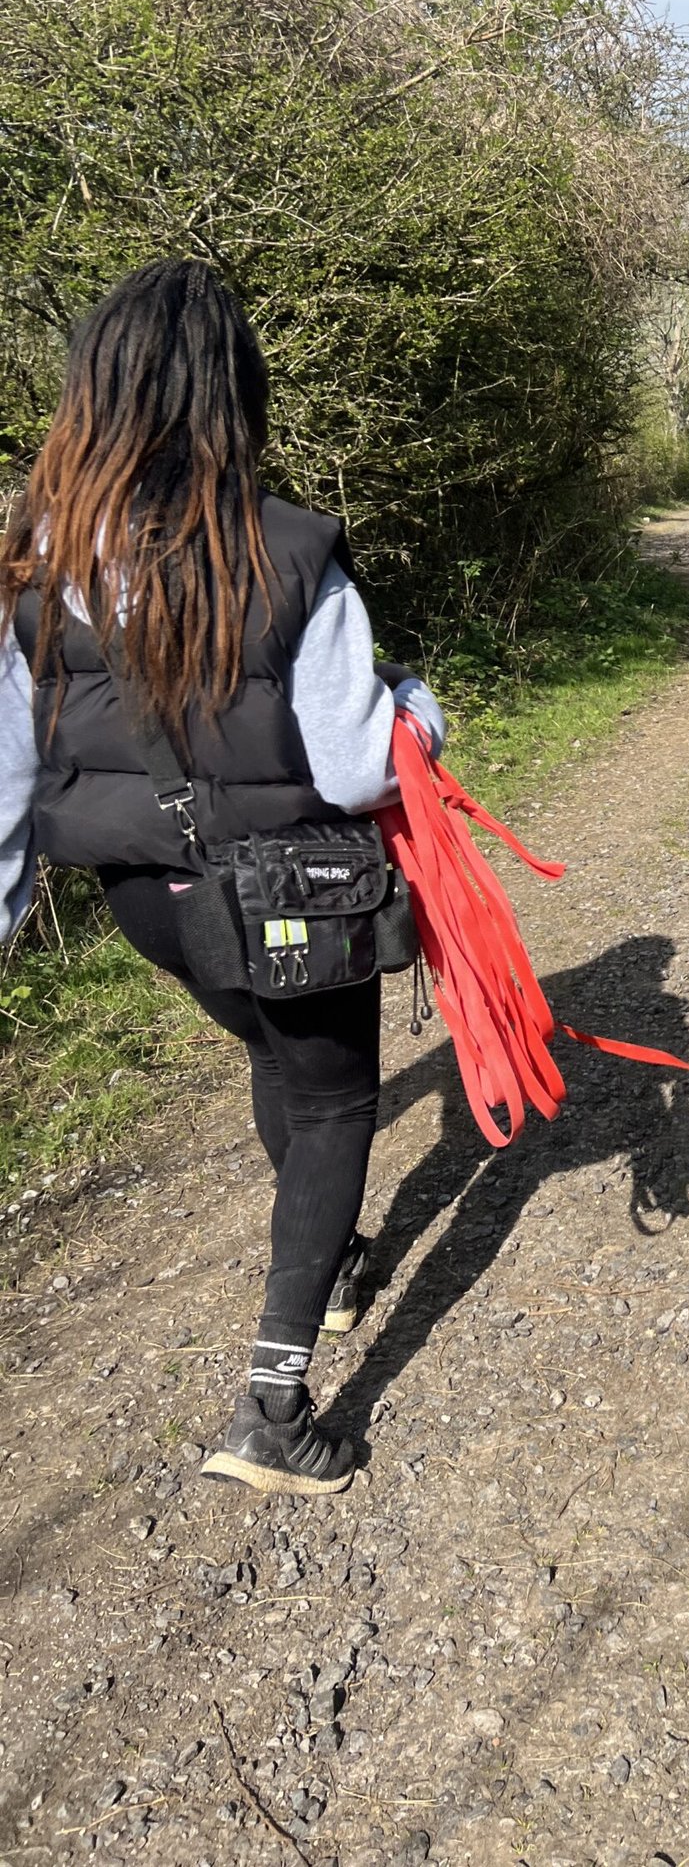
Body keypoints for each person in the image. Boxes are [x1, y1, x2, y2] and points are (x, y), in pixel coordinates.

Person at [0, 259, 445, 1497]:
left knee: (275, 1060)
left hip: (149, 899)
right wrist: (420, 708)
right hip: (293, 891)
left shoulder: (32, 559)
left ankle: (336, 1262)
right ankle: (275, 1405)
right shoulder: (291, 551)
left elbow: (7, 773)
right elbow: (360, 768)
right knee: (334, 1100)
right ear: (228, 393)